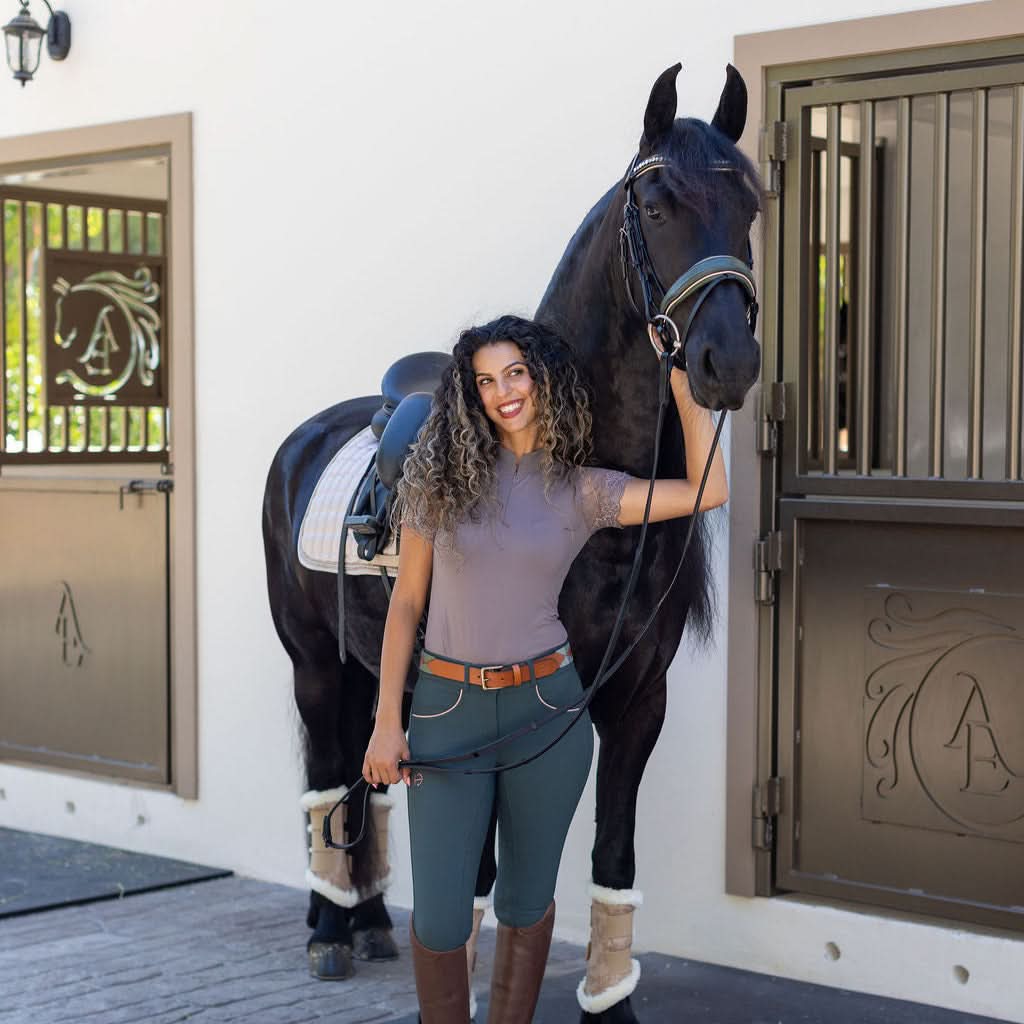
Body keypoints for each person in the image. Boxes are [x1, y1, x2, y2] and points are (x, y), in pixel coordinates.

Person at [362, 314, 727, 1023]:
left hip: (548, 718)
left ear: (542, 377)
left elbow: (707, 491)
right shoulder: (436, 479)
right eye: (486, 381)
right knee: (439, 919)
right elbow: (406, 604)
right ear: (471, 393)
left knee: (526, 906)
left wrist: (684, 389)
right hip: (445, 713)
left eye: (516, 374)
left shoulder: (582, 489)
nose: (504, 393)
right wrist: (385, 723)